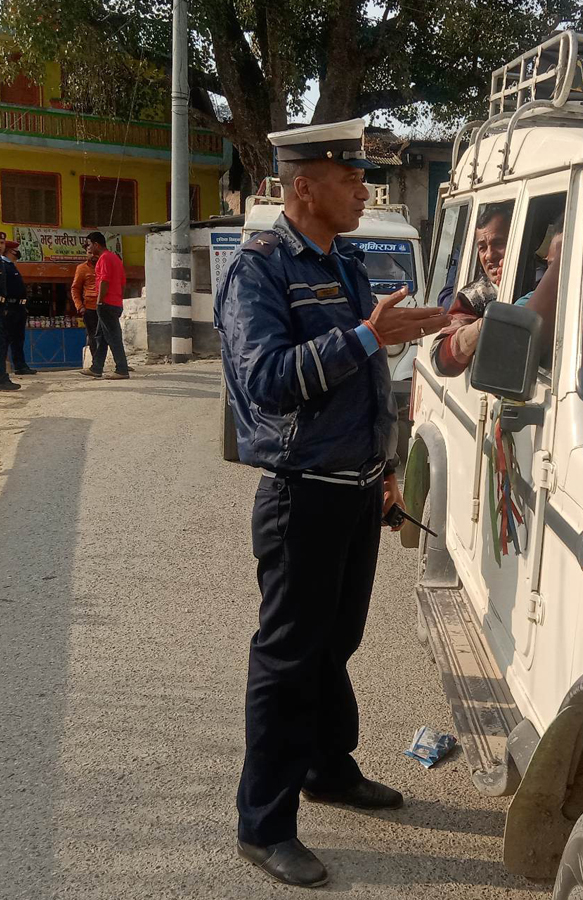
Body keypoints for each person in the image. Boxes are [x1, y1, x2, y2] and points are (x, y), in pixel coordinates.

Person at [214, 118, 450, 889]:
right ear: (303, 186)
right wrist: (362, 337)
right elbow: (267, 380)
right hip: (300, 496)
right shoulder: (259, 271)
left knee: (336, 643)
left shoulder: (345, 260)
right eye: (348, 178)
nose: (361, 189)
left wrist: (385, 466)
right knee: (287, 661)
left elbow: (370, 371)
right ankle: (265, 824)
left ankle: (327, 768)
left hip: (353, 492)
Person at [430, 204, 510, 376]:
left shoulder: (544, 283)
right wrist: (484, 325)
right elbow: (440, 361)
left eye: (499, 243)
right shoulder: (476, 295)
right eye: (482, 247)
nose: (489, 255)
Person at [81, 232, 131, 379]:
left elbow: (104, 281)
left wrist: (100, 300)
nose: (89, 248)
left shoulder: (104, 258)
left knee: (113, 337)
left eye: (89, 244)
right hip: (115, 302)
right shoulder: (115, 258)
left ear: (96, 244)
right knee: (100, 336)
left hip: (106, 303)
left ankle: (122, 369)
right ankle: (96, 367)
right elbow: (122, 283)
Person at [2, 240, 36, 377]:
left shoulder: (11, 266)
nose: (18, 252)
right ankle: (4, 369)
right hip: (9, 307)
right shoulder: (4, 266)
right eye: (16, 250)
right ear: (11, 251)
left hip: (18, 307)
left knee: (18, 338)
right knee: (5, 339)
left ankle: (20, 365)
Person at [71, 244, 101, 365]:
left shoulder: (104, 265)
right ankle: (96, 364)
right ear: (86, 253)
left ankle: (120, 363)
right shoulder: (81, 268)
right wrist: (80, 306)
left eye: (95, 253)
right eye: (90, 252)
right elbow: (75, 289)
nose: (93, 255)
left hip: (105, 306)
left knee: (110, 335)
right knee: (93, 336)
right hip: (90, 308)